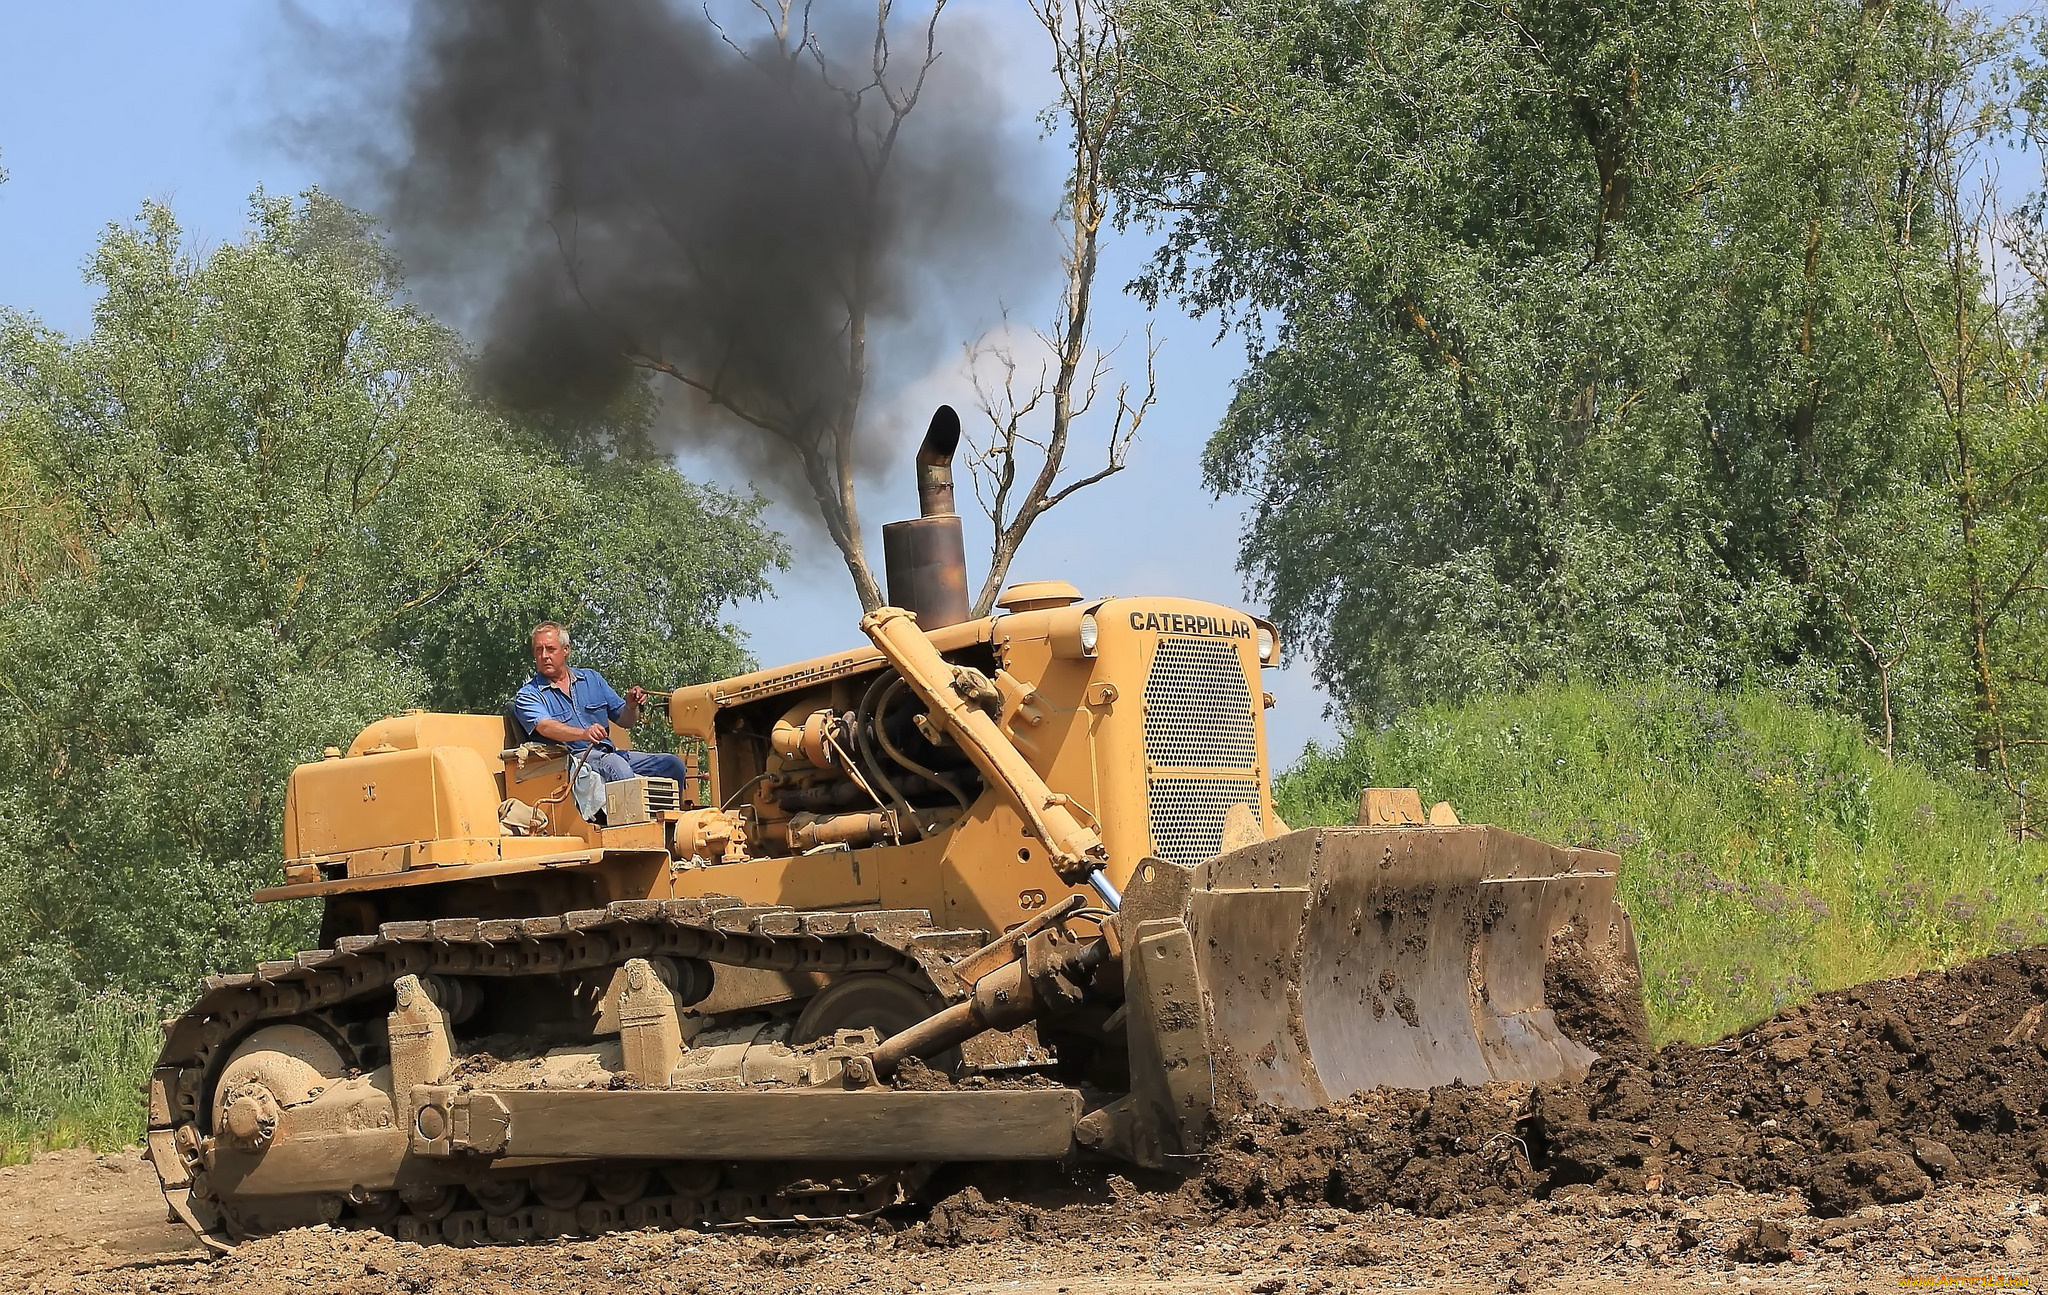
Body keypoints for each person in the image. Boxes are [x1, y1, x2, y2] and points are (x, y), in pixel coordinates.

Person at [512, 621, 689, 787]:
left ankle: (673, 819)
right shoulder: (528, 695)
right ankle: (633, 820)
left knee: (673, 765)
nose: (544, 656)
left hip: (609, 753)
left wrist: (631, 706)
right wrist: (583, 733)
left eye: (550, 649)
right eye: (538, 650)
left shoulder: (592, 679)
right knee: (618, 767)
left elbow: (625, 721)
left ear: (566, 650)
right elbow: (546, 727)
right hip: (571, 759)